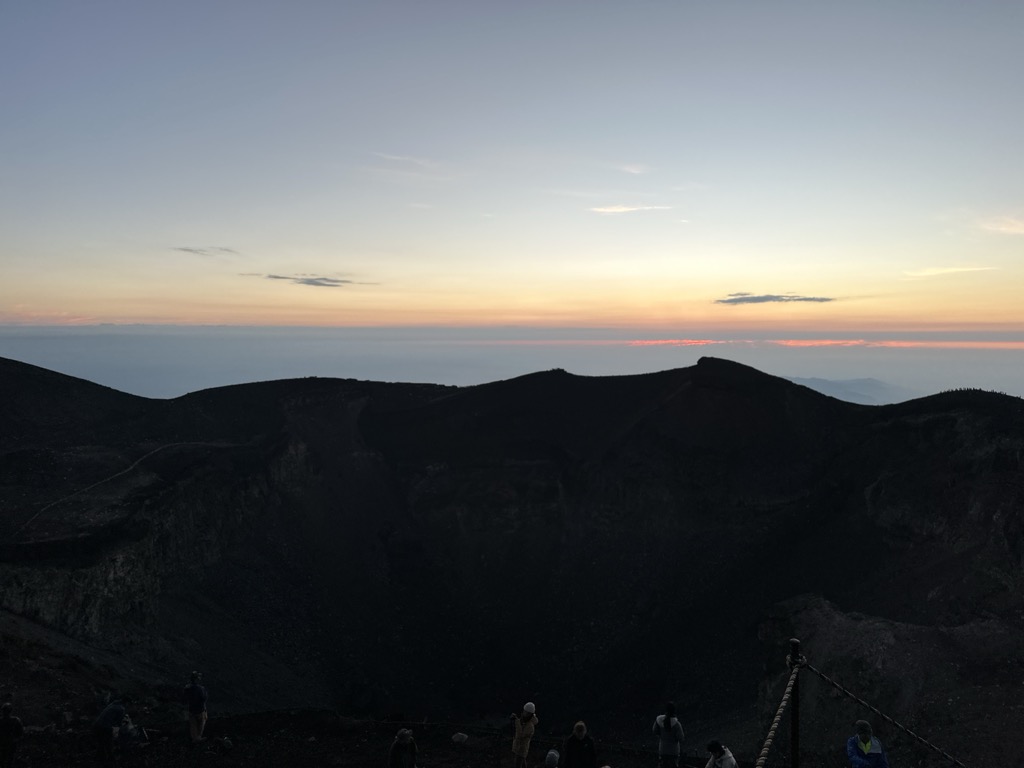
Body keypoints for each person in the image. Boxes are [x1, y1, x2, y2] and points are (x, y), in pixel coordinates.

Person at [92, 696, 129, 766]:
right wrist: (123, 726)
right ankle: (111, 761)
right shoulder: (121, 708)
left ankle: (98, 760)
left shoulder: (113, 704)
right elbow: (118, 723)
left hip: (97, 725)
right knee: (109, 743)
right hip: (105, 727)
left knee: (101, 743)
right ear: (127, 703)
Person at [652, 701, 685, 768]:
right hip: (673, 751)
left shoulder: (659, 720)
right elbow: (681, 738)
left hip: (662, 749)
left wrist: (662, 735)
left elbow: (654, 731)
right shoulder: (676, 724)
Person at [182, 671, 208, 743]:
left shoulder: (187, 688)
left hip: (191, 709)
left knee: (193, 725)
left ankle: (194, 738)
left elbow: (184, 697)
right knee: (201, 723)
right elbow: (204, 698)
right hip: (200, 709)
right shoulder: (201, 689)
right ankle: (198, 737)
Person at [510, 702, 538, 768]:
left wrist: (516, 721)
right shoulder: (524, 722)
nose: (524, 714)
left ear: (530, 714)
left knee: (518, 764)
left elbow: (520, 735)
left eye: (527, 713)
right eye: (524, 711)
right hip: (519, 748)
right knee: (522, 764)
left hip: (521, 749)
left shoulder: (530, 726)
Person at [0, 702, 24, 768]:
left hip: (9, 743)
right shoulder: (15, 720)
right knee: (6, 761)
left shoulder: (15, 720)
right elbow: (20, 733)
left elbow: (20, 733)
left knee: (7, 761)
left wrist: (15, 740)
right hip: (7, 743)